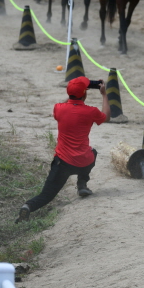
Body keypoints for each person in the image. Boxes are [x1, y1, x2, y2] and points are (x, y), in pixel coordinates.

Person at [18, 77, 109, 223]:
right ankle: (82, 184)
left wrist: (75, 94)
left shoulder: (59, 108)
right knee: (93, 153)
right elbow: (106, 117)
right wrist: (104, 94)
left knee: (47, 195)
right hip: (83, 162)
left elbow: (68, 104)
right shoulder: (91, 111)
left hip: (63, 164)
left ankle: (28, 206)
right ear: (85, 94)